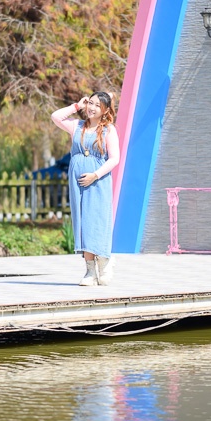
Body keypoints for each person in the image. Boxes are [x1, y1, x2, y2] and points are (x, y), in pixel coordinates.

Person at [51, 91, 120, 286]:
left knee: (97, 219)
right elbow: (55, 116)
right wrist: (76, 107)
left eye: (97, 105)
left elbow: (115, 158)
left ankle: (104, 261)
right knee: (82, 221)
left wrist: (95, 175)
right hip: (78, 182)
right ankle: (90, 270)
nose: (92, 107)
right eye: (90, 103)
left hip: (98, 181)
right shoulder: (77, 126)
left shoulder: (109, 130)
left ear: (105, 110)